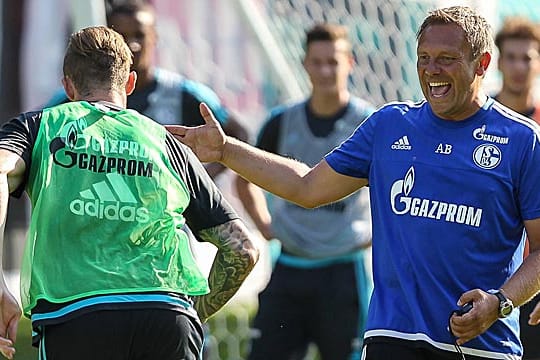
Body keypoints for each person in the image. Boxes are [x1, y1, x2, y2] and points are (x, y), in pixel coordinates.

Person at [168, 5, 540, 359]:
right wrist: (225, 151)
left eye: (447, 58)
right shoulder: (389, 125)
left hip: (481, 343)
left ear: (482, 63)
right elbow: (307, 187)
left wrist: (500, 302)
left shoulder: (523, 140)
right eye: (424, 58)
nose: (432, 70)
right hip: (393, 336)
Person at [0, 25, 259, 360]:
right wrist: (192, 312)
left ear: (67, 86)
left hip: (78, 316)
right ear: (130, 83)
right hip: (169, 316)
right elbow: (243, 250)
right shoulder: (166, 143)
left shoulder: (41, 126)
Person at [235, 23, 373, 360]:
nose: (326, 70)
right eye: (318, 62)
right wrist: (265, 225)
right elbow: (244, 177)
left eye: (334, 61)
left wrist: (377, 232)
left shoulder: (369, 123)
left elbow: (396, 187)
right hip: (290, 268)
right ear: (305, 64)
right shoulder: (281, 122)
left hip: (343, 271)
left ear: (350, 63)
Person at [45, 0, 248, 178]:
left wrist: (195, 182)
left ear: (155, 37)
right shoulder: (75, 97)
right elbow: (38, 133)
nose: (132, 44)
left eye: (140, 35)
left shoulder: (184, 94)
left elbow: (238, 134)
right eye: (122, 35)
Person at [493, 16, 540, 360]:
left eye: (527, 57)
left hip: (534, 274)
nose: (519, 66)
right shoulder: (474, 119)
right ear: (497, 62)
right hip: (484, 276)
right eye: (511, 57)